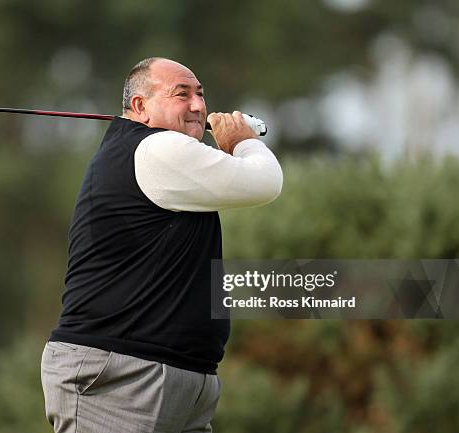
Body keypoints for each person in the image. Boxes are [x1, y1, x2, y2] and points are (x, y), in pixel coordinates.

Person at [41, 57, 283, 433]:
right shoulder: (156, 149)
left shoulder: (154, 152)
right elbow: (264, 182)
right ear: (140, 107)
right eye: (181, 94)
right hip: (119, 378)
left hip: (173, 379)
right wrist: (242, 142)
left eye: (200, 95)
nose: (198, 106)